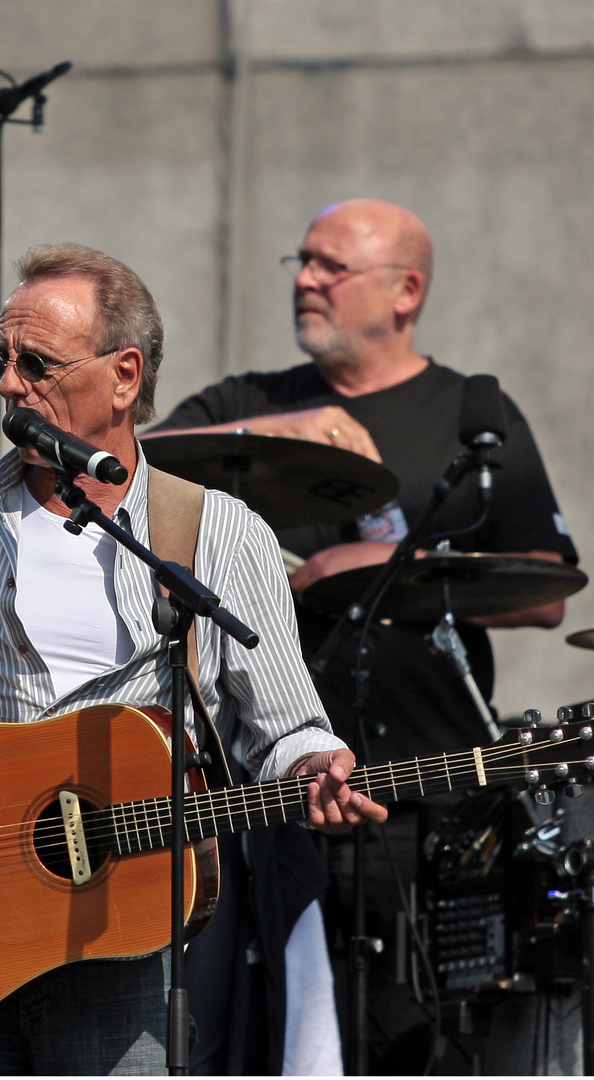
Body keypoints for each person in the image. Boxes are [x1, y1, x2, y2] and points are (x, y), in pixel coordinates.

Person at [0, 242, 387, 1076]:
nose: (8, 386)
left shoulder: (217, 532)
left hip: (125, 935)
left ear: (124, 375)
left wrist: (318, 764)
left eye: (36, 364)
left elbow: (285, 726)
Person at [146, 198, 579, 1070]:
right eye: (300, 261)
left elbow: (543, 586)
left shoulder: (467, 412)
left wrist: (366, 571)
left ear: (403, 290)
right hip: (265, 786)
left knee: (416, 1032)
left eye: (329, 266)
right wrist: (276, 433)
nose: (304, 279)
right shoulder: (250, 400)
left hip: (431, 782)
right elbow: (127, 466)